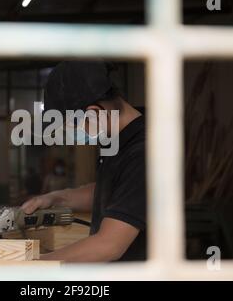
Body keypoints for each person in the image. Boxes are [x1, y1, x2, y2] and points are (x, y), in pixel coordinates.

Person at [21, 61, 146, 262]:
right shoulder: (119, 140)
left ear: (94, 113)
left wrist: (35, 265)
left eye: (71, 128)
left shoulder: (144, 152)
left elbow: (109, 245)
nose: (73, 136)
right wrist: (55, 198)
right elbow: (114, 192)